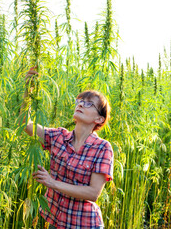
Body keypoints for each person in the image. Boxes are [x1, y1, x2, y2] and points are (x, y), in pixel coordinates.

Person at [21, 67, 114, 229]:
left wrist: (52, 183)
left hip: (84, 224)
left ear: (99, 118)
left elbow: (93, 193)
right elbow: (26, 125)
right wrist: (28, 92)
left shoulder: (102, 148)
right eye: (79, 101)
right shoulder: (59, 137)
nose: (81, 105)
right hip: (56, 221)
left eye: (89, 104)